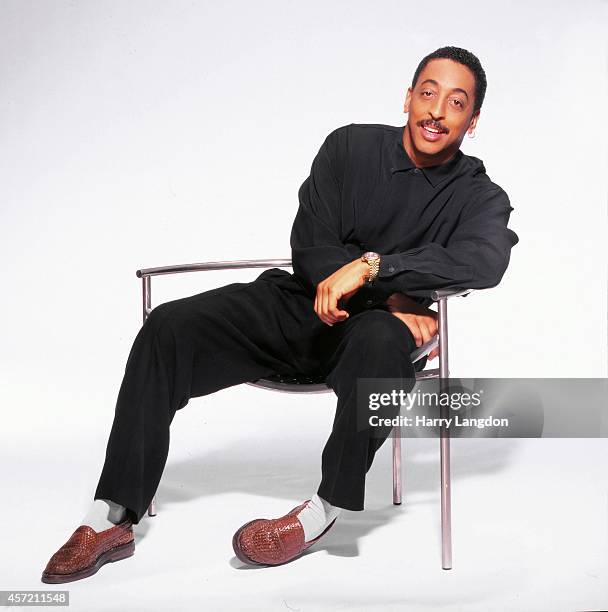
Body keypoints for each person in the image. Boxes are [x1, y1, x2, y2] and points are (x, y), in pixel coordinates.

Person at [41, 45, 519, 582]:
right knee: (167, 329)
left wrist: (373, 267)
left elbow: (484, 260)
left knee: (383, 344)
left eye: (456, 103)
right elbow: (311, 245)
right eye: (427, 93)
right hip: (296, 306)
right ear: (407, 97)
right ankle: (112, 515)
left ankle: (321, 514)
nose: (436, 111)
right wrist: (391, 291)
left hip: (368, 341)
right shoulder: (349, 147)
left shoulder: (480, 196)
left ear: (472, 120)